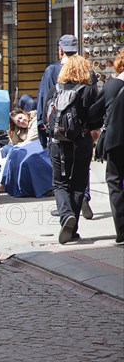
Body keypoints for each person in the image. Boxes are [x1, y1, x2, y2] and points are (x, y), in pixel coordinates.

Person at [48, 55, 101, 244]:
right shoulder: (88, 90)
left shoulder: (56, 89)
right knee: (78, 184)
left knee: (59, 183)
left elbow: (48, 113)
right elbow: (96, 117)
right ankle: (72, 228)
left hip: (58, 142)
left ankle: (65, 216)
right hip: (82, 140)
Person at [102, 49, 124, 243]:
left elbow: (95, 111)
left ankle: (122, 230)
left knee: (115, 182)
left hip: (116, 141)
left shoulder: (111, 87)